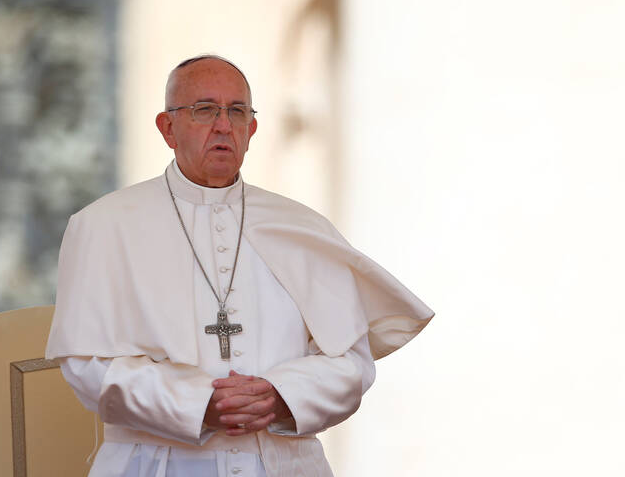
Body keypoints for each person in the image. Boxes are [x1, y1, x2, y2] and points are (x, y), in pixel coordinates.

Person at [46, 55, 433, 477]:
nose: (223, 126)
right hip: (156, 465)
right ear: (167, 128)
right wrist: (198, 404)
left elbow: (352, 362)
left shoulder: (300, 226)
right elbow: (85, 365)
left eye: (237, 112)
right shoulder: (104, 225)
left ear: (251, 129)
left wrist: (282, 395)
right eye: (205, 110)